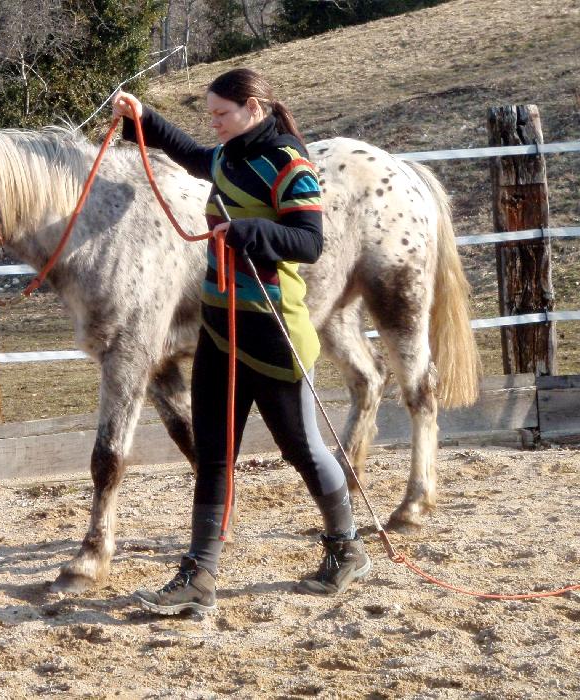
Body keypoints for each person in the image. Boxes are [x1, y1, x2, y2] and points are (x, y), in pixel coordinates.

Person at [112, 68, 370, 615]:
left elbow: (308, 242)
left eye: (221, 115)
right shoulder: (227, 157)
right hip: (221, 328)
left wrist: (249, 232)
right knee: (215, 453)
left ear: (253, 108)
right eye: (211, 115)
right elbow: (187, 152)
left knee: (301, 448)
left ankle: (346, 548)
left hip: (274, 331)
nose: (214, 124)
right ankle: (199, 576)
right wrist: (142, 118)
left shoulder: (289, 166)